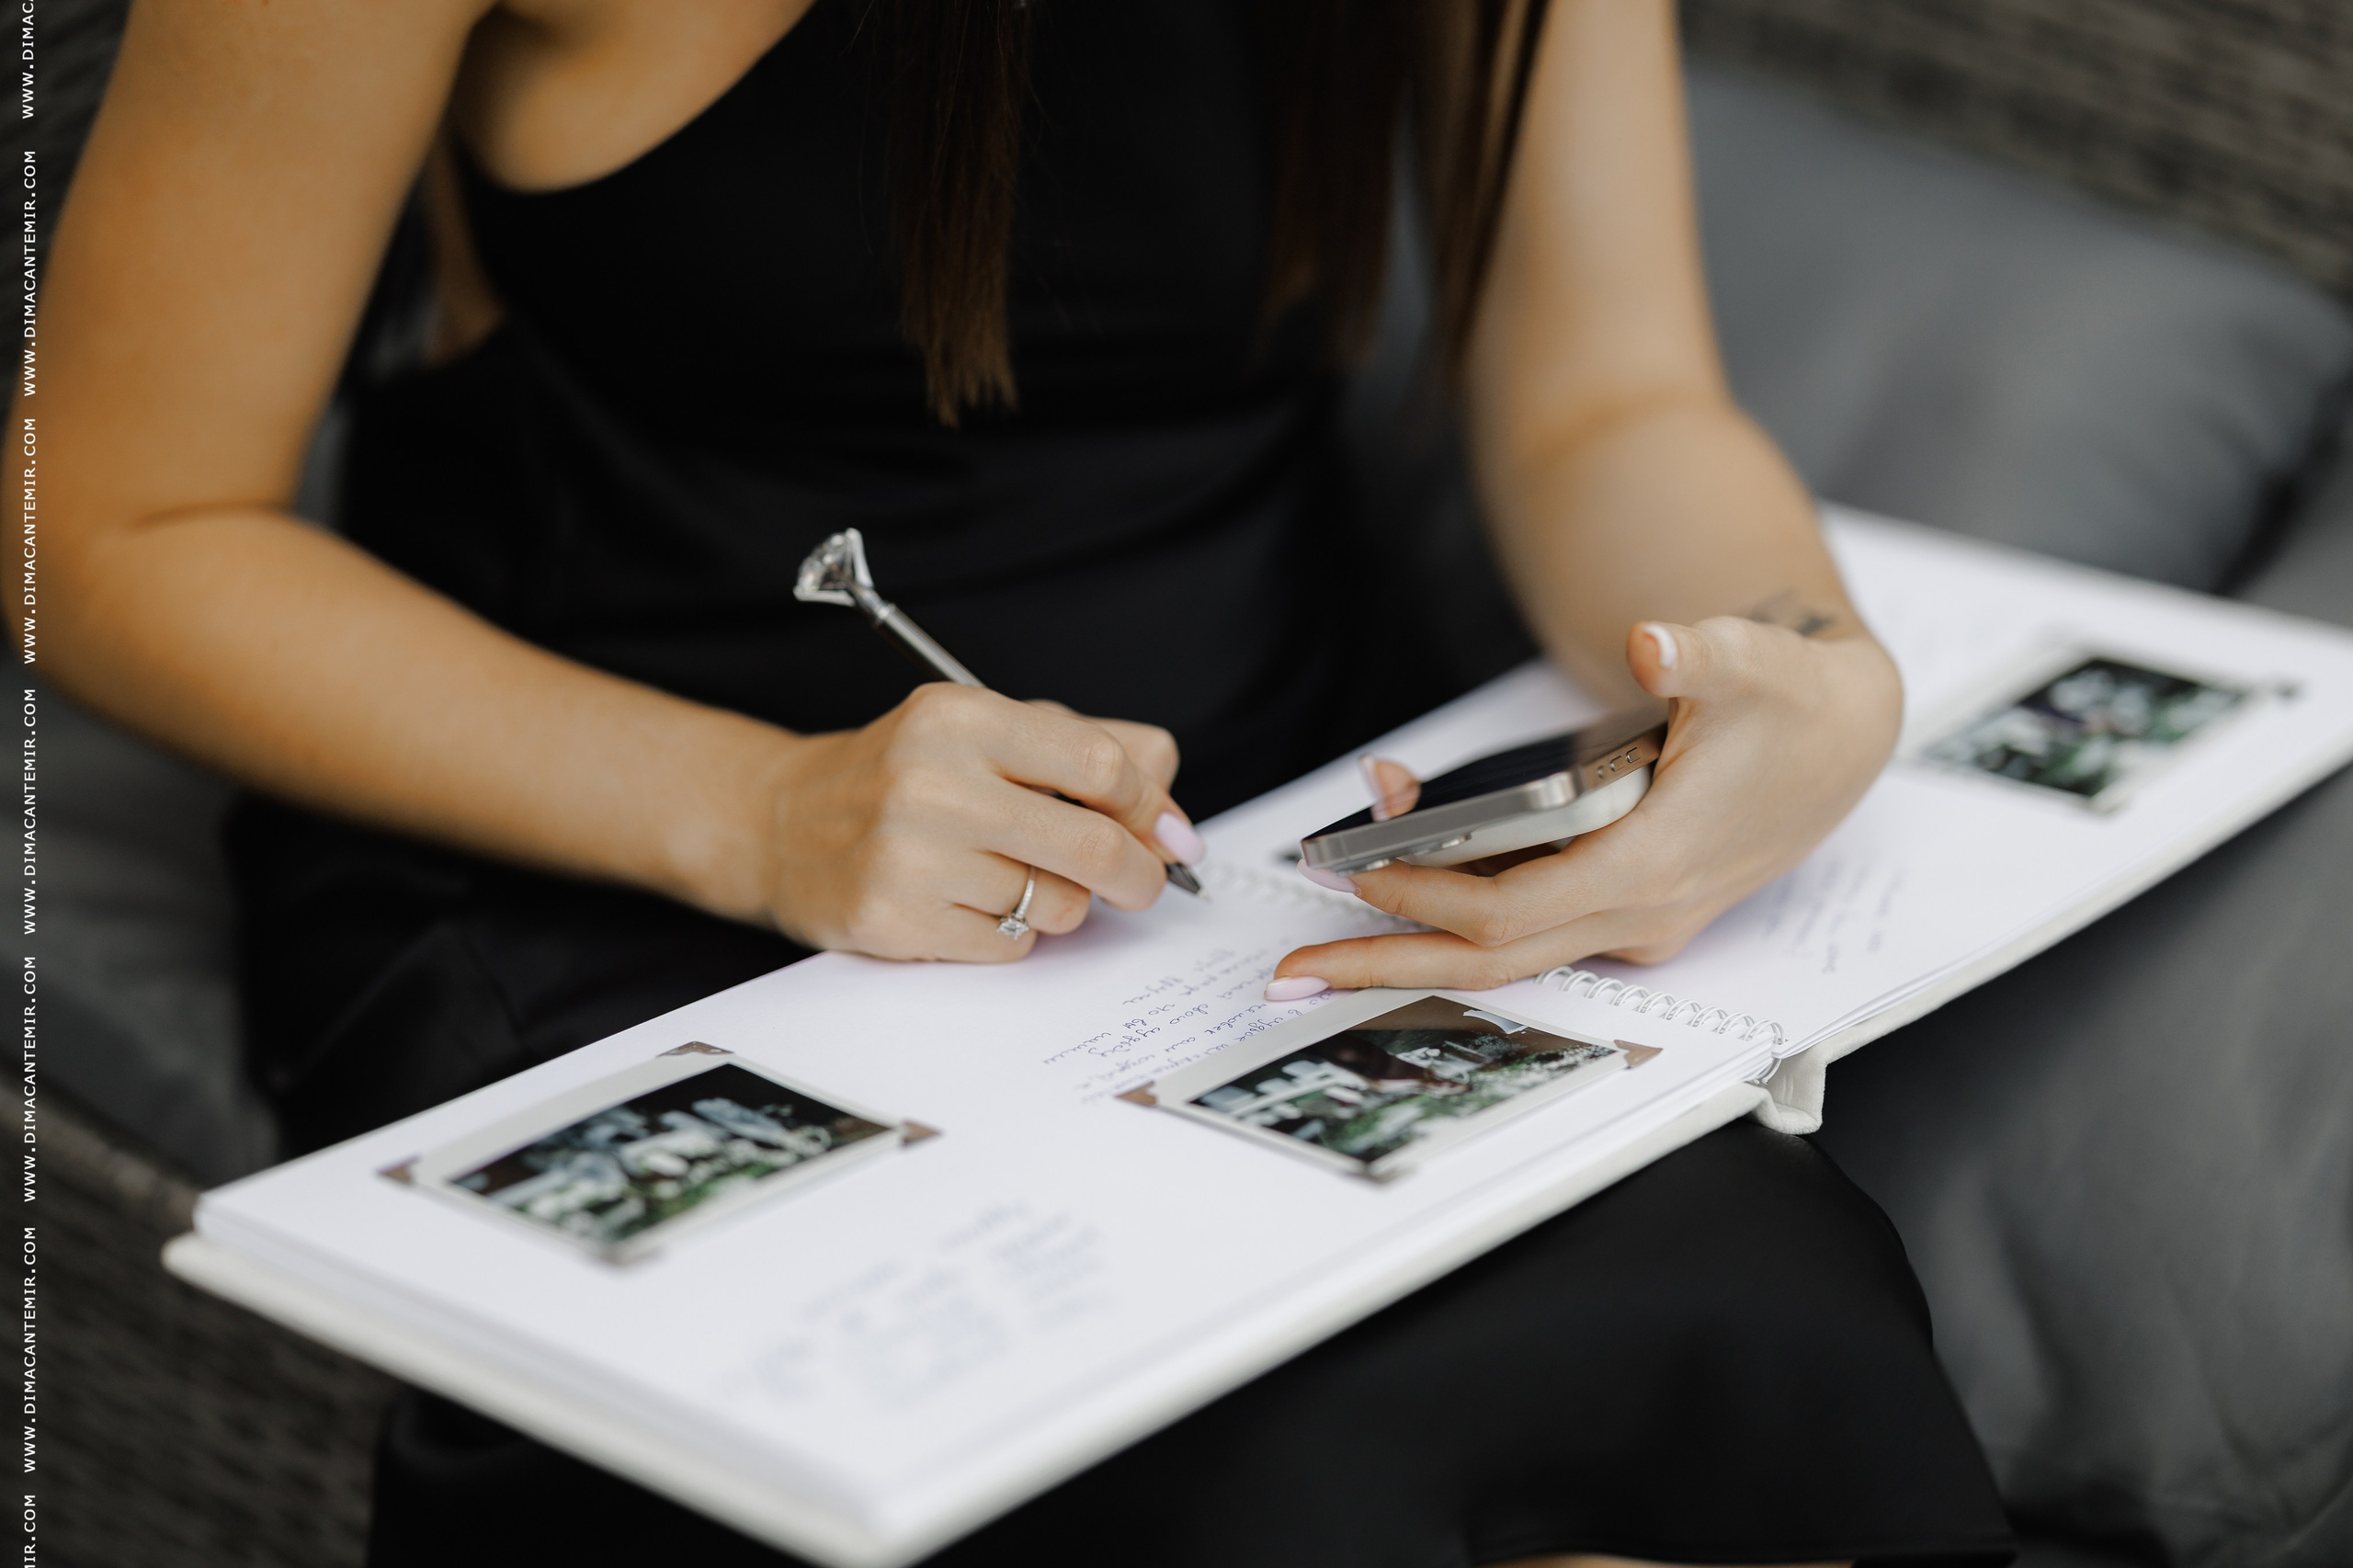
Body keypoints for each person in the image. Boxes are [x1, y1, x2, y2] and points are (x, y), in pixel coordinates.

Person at [29, 0, 2013, 1562]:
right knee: (1189, 1472)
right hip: (611, 831)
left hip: (1257, 843)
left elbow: (1604, 391)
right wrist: (758, 811)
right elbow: (102, 522)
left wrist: (1804, 671)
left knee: (1740, 1337)